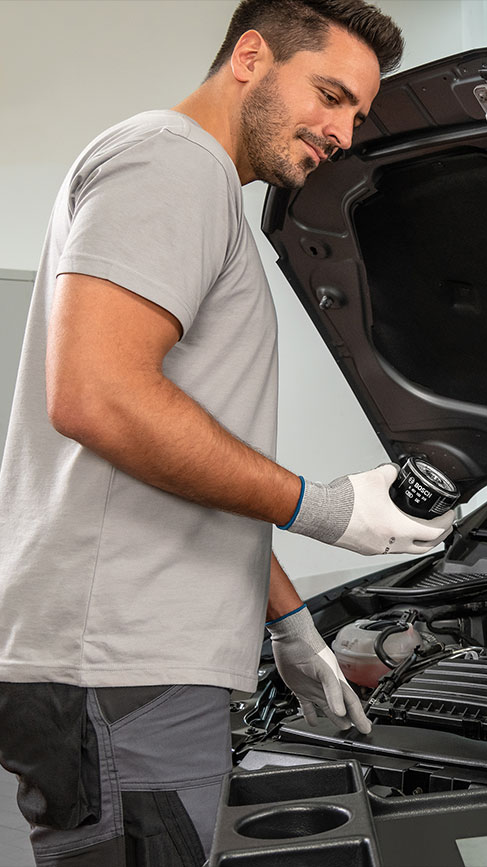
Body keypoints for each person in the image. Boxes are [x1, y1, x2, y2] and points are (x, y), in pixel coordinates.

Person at [0, 2, 454, 864]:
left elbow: (182, 449)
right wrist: (322, 509)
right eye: (329, 94)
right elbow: (97, 396)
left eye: (357, 114)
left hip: (133, 660)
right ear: (250, 57)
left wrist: (288, 619)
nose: (343, 133)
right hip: (121, 663)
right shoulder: (172, 164)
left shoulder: (193, 183)